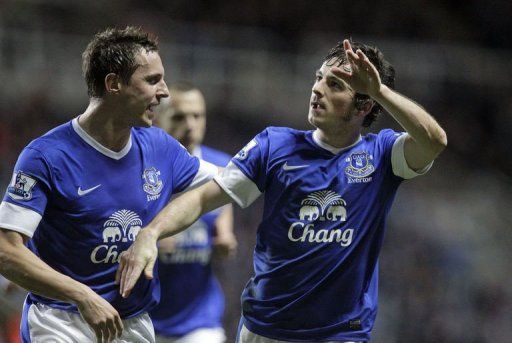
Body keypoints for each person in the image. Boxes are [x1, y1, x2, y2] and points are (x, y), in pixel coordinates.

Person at [117, 39, 447, 342]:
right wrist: (152, 231)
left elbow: (434, 142)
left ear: (363, 107)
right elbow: (206, 196)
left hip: (340, 335)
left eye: (334, 85)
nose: (317, 89)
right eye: (319, 78)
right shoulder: (275, 145)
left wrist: (380, 91)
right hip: (265, 330)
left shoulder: (382, 156)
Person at [0, 26, 218, 343]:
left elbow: (225, 185)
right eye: (152, 80)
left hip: (133, 324)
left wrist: (152, 232)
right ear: (114, 83)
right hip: (61, 322)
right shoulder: (46, 156)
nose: (165, 92)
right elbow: (6, 250)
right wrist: (81, 295)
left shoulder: (160, 147)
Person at [151, 83, 237, 343]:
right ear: (156, 119)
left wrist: (224, 237)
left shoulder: (221, 165)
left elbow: (224, 209)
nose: (190, 124)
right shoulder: (144, 168)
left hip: (199, 320)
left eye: (197, 116)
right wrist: (150, 237)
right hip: (144, 317)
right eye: (179, 116)